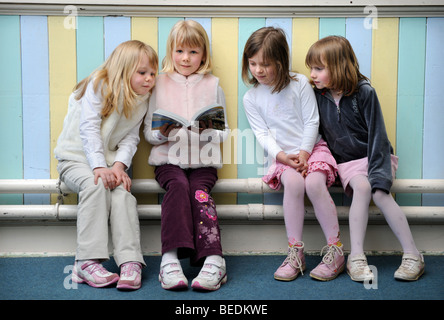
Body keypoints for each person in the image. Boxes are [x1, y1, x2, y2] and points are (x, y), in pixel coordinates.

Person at [305, 35, 425, 281]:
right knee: (362, 187)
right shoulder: (318, 96)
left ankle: (413, 255)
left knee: (379, 193)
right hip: (348, 164)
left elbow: (378, 137)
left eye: (318, 68)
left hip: (375, 156)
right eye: (311, 69)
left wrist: (380, 175)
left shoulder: (364, 93)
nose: (313, 75)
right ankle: (356, 258)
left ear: (338, 67)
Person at [242, 27, 344, 282]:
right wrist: (283, 156)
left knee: (314, 182)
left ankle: (336, 249)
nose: (258, 70)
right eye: (253, 63)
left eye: (265, 64)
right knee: (295, 183)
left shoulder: (299, 84)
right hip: (283, 157)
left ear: (281, 61)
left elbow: (312, 122)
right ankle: (295, 252)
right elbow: (262, 134)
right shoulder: (251, 97)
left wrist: (305, 154)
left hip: (312, 149)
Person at [54, 40, 158, 290]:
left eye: (153, 74)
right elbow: (88, 128)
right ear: (123, 70)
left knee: (122, 194)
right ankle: (86, 262)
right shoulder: (99, 84)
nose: (149, 79)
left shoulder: (142, 98)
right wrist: (99, 167)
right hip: (75, 159)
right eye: (142, 73)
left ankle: (130, 262)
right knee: (95, 185)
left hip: (110, 165)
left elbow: (131, 137)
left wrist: (120, 167)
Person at [143, 20, 229, 291]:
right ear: (171, 51)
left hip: (204, 162)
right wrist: (163, 133)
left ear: (203, 54)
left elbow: (224, 132)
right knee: (179, 187)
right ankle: (170, 259)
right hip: (168, 159)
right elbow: (148, 132)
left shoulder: (214, 85)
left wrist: (208, 132)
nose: (186, 58)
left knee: (198, 193)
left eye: (193, 52)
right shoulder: (158, 84)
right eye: (180, 51)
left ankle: (213, 259)